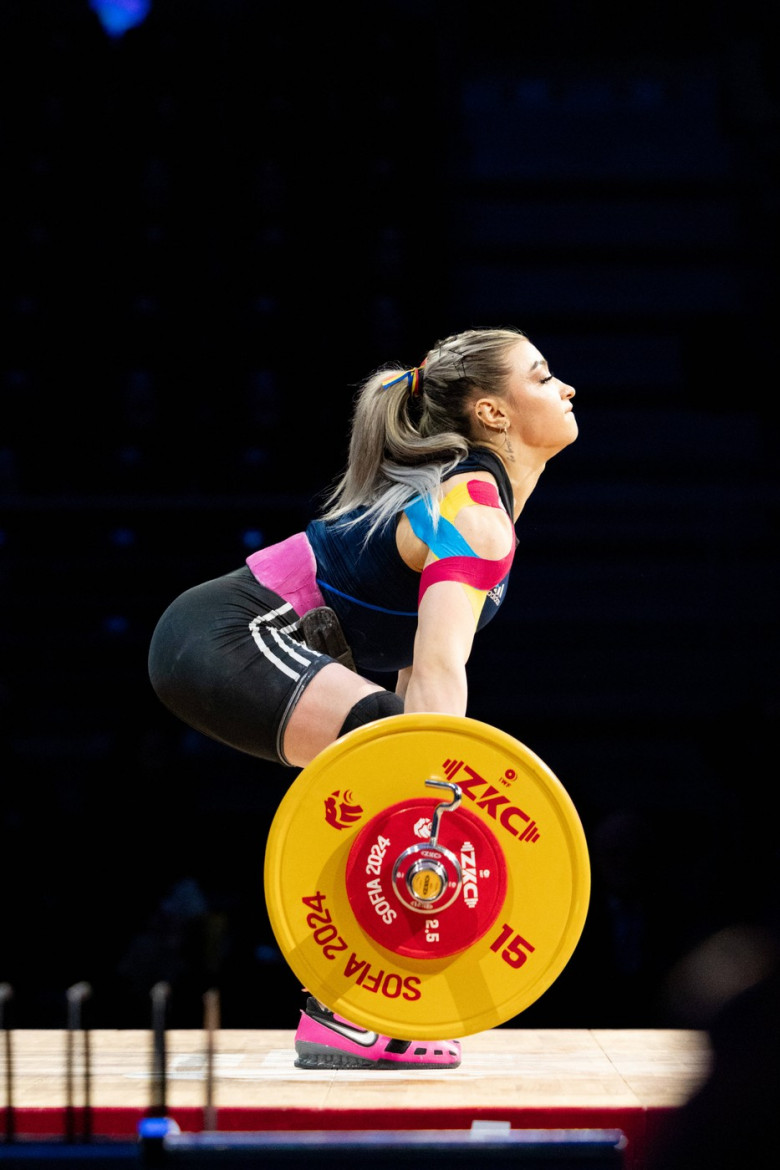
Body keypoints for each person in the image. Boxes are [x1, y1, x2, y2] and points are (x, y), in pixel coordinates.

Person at [148, 325, 578, 1069]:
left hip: (212, 641)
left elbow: (419, 679)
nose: (566, 387)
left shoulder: (475, 506)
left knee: (404, 760)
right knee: (404, 762)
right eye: (542, 377)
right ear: (494, 414)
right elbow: (441, 679)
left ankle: (375, 1006)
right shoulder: (474, 515)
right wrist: (441, 810)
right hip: (224, 637)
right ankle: (350, 1013)